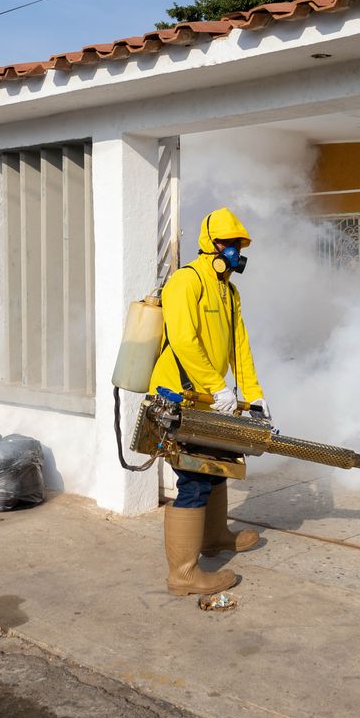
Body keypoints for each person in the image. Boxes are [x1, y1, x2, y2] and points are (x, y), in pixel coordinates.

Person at [150, 208, 269, 596]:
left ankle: (215, 536)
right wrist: (218, 387)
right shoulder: (187, 282)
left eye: (239, 244)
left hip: (209, 399)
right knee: (195, 476)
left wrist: (254, 395)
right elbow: (183, 340)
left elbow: (241, 348)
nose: (235, 251)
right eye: (229, 244)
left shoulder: (229, 291)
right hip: (179, 396)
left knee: (219, 464)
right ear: (211, 245)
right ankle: (183, 575)